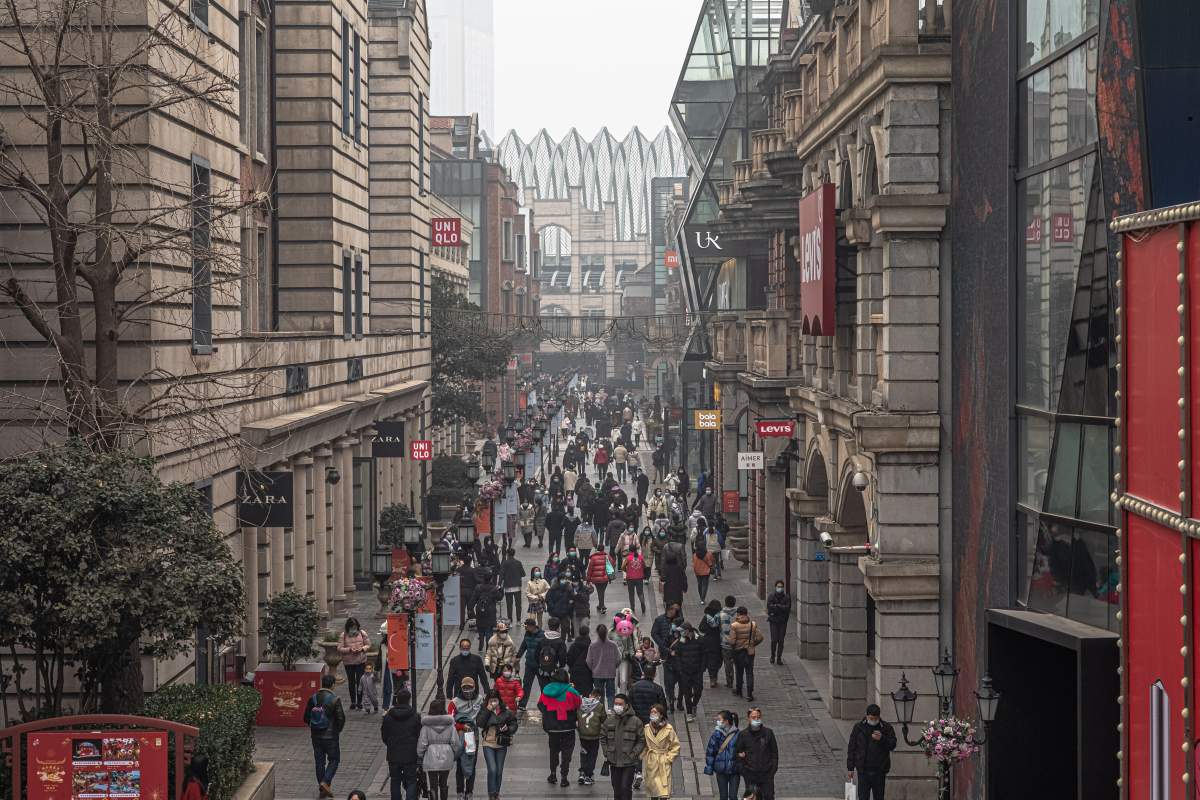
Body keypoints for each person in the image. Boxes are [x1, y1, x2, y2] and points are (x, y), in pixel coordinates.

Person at [304, 673, 347, 798]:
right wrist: (337, 730)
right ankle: (325, 781)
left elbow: (306, 717)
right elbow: (341, 719)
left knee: (319, 761)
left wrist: (313, 727)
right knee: (334, 760)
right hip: (330, 737)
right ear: (333, 685)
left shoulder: (313, 698)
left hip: (316, 735)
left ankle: (322, 787)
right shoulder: (334, 699)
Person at [538, 668, 583, 788]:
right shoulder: (571, 692)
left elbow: (540, 704)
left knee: (553, 751)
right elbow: (579, 704)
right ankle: (564, 777)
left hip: (552, 728)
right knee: (566, 753)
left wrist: (548, 715)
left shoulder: (547, 690)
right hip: (568, 727)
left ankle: (553, 774)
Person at [846, 704, 897, 800]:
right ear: (866, 716)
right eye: (871, 718)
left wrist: (882, 738)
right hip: (863, 770)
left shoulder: (886, 728)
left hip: (879, 771)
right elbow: (852, 748)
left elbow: (892, 744)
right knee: (863, 797)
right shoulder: (858, 727)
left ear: (878, 717)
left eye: (875, 719)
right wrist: (850, 767)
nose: (873, 721)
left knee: (879, 797)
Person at [601, 693, 646, 800]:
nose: (617, 706)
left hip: (629, 762)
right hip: (614, 761)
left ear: (626, 705)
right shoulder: (609, 721)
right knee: (616, 788)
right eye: (615, 704)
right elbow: (603, 737)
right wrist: (606, 752)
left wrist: (634, 754)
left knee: (625, 788)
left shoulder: (636, 721)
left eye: (620, 704)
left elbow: (641, 740)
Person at [381, 689, 422, 800]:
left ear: (397, 700)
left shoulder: (389, 716)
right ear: (409, 700)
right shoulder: (415, 716)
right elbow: (419, 735)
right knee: (411, 781)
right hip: (410, 754)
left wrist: (390, 744)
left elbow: (384, 736)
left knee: (395, 780)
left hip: (393, 754)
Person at [476, 690, 518, 800]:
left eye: (495, 700)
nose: (493, 703)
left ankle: (496, 793)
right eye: (491, 701)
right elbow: (479, 723)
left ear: (499, 700)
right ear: (488, 701)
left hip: (501, 743)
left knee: (499, 770)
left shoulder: (505, 711)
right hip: (488, 743)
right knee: (492, 769)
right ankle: (491, 793)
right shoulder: (484, 709)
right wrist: (488, 710)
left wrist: (508, 728)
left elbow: (513, 724)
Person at [417, 699, 461, 800]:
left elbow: (422, 744)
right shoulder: (450, 725)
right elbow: (455, 743)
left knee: (433, 784)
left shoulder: (426, 726)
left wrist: (421, 755)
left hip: (431, 757)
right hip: (447, 755)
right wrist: (453, 754)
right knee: (443, 782)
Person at [449, 677, 483, 800]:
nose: (467, 690)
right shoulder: (454, 702)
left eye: (470, 688)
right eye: (465, 688)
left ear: (474, 687)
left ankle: (469, 791)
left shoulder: (480, 699)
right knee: (459, 763)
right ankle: (459, 791)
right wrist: (462, 726)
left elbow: (483, 714)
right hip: (460, 736)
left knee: (471, 763)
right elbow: (450, 720)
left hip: (473, 737)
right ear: (461, 688)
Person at [734, 708, 778, 800]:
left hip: (766, 774)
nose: (756, 719)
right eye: (753, 717)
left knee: (768, 796)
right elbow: (737, 753)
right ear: (748, 718)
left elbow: (774, 753)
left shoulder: (768, 733)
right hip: (750, 775)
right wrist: (743, 771)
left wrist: (772, 770)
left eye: (758, 717)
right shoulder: (743, 734)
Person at [641, 703, 681, 800]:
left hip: (663, 761)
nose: (653, 714)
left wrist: (668, 758)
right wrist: (642, 755)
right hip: (652, 761)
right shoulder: (646, 729)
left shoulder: (669, 729)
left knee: (663, 792)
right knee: (653, 791)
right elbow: (644, 745)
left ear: (661, 714)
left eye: (655, 712)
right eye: (651, 712)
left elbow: (675, 745)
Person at [669, 623, 705, 722]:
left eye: (682, 631)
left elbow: (704, 655)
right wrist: (680, 669)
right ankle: (689, 713)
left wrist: (702, 668)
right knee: (687, 693)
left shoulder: (700, 640)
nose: (680, 633)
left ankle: (694, 705)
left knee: (698, 690)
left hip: (697, 671)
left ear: (688, 630)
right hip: (685, 672)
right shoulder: (681, 641)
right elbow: (678, 655)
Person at [727, 607, 763, 701]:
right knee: (749, 672)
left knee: (739, 671)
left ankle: (739, 690)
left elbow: (732, 641)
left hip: (738, 652)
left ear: (738, 614)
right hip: (750, 652)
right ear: (746, 614)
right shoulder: (752, 624)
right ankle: (749, 694)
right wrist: (752, 644)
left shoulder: (734, 625)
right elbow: (760, 637)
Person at [703, 711, 741, 800]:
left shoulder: (738, 734)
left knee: (733, 796)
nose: (718, 721)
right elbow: (710, 752)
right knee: (723, 796)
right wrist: (709, 767)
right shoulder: (716, 734)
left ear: (726, 721)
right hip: (721, 770)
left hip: (734, 770)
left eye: (719, 719)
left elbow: (743, 749)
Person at [576, 687, 607, 785]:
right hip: (594, 735)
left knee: (584, 753)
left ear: (590, 695)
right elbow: (604, 719)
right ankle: (588, 775)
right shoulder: (600, 706)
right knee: (592, 755)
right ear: (599, 697)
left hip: (582, 735)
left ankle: (582, 772)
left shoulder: (580, 703)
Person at [339, 617, 371, 710]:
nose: (353, 629)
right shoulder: (343, 635)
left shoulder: (362, 633)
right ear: (348, 627)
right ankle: (353, 701)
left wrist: (362, 649)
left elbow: (368, 645)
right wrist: (349, 649)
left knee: (360, 682)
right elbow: (339, 648)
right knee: (351, 682)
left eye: (355, 626)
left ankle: (359, 702)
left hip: (360, 661)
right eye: (351, 627)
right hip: (348, 662)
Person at [586, 623, 621, 707]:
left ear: (597, 632)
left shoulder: (593, 645)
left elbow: (588, 661)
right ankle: (610, 710)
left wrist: (593, 669)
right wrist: (614, 666)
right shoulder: (613, 645)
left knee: (599, 695)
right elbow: (619, 658)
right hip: (610, 673)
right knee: (611, 694)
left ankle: (601, 713)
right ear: (606, 632)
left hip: (597, 674)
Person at [515, 618, 545, 711]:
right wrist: (518, 656)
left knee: (543, 686)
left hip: (540, 665)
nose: (525, 628)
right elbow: (523, 646)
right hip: (529, 664)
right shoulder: (527, 634)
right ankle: (522, 704)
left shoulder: (542, 635)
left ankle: (544, 704)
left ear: (532, 626)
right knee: (527, 684)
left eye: (526, 626)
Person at [699, 600, 725, 688]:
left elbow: (701, 628)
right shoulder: (721, 617)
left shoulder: (707, 617)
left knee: (711, 661)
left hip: (708, 642)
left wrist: (708, 630)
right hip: (718, 642)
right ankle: (714, 678)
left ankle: (712, 679)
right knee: (717, 660)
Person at [766, 580, 792, 665]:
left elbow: (787, 608)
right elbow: (769, 607)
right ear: (775, 587)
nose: (779, 588)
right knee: (774, 640)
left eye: (781, 587)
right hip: (773, 621)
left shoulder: (787, 597)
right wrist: (781, 608)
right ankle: (772, 656)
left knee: (781, 640)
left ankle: (779, 658)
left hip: (783, 622)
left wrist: (777, 606)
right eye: (778, 586)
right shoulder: (771, 596)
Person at [567, 624, 594, 695]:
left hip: (575, 672)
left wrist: (572, 667)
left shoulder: (573, 646)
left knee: (575, 693)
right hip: (587, 673)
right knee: (586, 693)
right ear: (588, 633)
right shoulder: (591, 647)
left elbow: (569, 659)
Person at [499, 549, 525, 622]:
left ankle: (510, 620)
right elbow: (523, 574)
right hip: (517, 587)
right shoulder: (518, 563)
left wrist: (499, 585)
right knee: (518, 605)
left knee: (509, 605)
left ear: (507, 554)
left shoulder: (504, 563)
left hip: (508, 587)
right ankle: (518, 620)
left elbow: (501, 575)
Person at [718, 596, 738, 689]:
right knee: (738, 664)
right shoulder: (738, 614)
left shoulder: (721, 614)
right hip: (737, 643)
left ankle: (729, 681)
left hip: (725, 643)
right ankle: (739, 681)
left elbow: (719, 628)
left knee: (727, 664)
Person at [586, 547, 614, 613]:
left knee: (599, 591)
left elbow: (590, 569)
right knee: (602, 591)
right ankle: (601, 605)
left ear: (597, 550)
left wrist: (588, 579)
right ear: (603, 549)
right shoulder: (607, 557)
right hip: (605, 578)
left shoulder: (593, 558)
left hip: (596, 578)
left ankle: (601, 605)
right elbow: (612, 563)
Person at [622, 546, 648, 614]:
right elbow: (644, 566)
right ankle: (642, 604)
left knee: (631, 594)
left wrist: (627, 571)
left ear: (630, 551)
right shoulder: (640, 557)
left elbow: (622, 567)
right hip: (639, 578)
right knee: (640, 593)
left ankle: (632, 607)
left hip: (630, 578)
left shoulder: (628, 558)